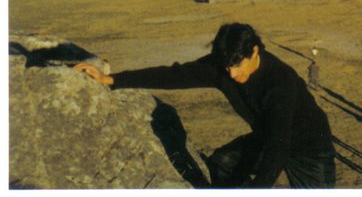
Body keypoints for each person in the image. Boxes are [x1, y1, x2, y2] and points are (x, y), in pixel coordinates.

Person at [74, 23, 335, 188]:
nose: (232, 75)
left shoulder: (279, 81)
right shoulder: (223, 66)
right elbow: (174, 75)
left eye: (238, 66)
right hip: (267, 137)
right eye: (227, 67)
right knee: (222, 163)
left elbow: (279, 148)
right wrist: (112, 80)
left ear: (255, 52)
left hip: (309, 149)